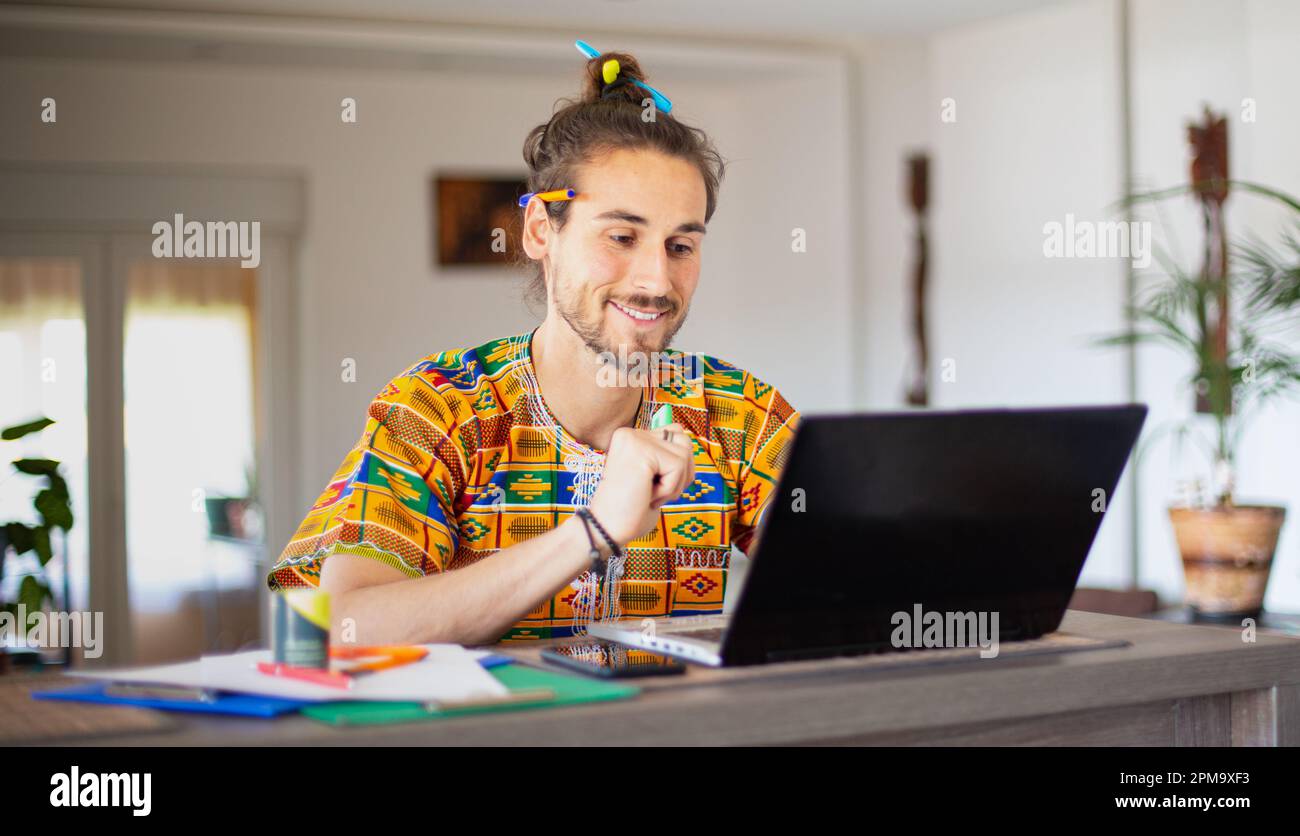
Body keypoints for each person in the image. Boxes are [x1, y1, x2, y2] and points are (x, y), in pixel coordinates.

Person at [266, 46, 800, 646]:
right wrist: (593, 530)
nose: (655, 280)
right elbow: (341, 630)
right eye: (622, 236)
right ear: (542, 230)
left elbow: (864, 584)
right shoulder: (438, 409)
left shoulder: (738, 415)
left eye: (681, 246)